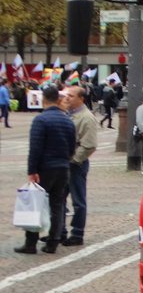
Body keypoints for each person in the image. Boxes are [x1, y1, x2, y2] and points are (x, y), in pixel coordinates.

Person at [14, 84, 76, 255]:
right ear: (58, 99)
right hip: (63, 167)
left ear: (43, 99)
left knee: (36, 204)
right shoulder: (67, 120)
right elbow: (72, 146)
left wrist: (32, 170)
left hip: (45, 168)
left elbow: (35, 148)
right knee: (58, 205)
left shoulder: (40, 120)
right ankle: (53, 242)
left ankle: (31, 243)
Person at [60, 84, 97, 246]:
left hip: (76, 164)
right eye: (66, 95)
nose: (67, 98)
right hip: (64, 163)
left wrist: (74, 160)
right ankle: (59, 231)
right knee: (59, 198)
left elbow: (89, 145)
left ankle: (77, 233)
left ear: (81, 99)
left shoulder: (86, 117)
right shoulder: (66, 114)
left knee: (78, 200)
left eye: (71, 96)